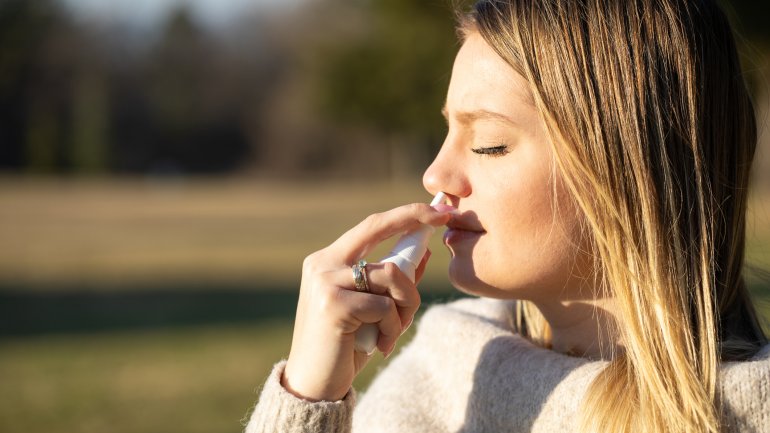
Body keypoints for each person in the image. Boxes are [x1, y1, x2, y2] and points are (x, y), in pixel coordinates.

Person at [245, 0, 770, 432]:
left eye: (490, 143)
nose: (436, 175)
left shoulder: (747, 412)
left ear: (633, 167)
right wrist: (308, 397)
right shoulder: (443, 373)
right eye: (447, 132)